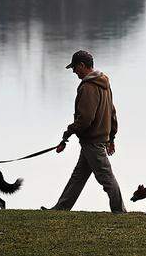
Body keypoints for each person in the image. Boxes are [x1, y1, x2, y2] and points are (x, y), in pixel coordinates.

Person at [42, 49, 126, 213]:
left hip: (93, 141)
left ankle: (119, 211)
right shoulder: (104, 84)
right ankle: (61, 208)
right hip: (96, 140)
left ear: (82, 65)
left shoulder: (88, 87)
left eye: (75, 67)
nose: (74, 71)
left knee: (106, 178)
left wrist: (68, 132)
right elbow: (112, 113)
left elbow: (85, 119)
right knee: (78, 177)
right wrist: (112, 138)